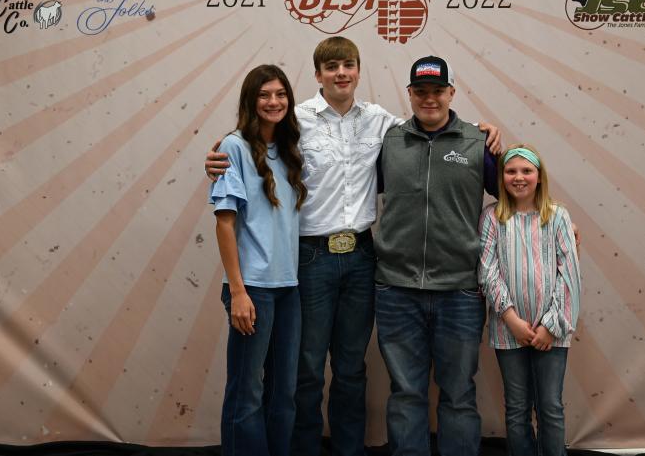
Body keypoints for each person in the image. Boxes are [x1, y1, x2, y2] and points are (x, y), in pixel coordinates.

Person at [206, 39, 501, 456]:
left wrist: (482, 131)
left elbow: (433, 128)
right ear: (318, 75)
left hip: (364, 258)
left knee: (350, 369)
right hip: (310, 258)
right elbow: (255, 140)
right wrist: (220, 155)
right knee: (306, 370)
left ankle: (349, 451)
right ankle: (304, 449)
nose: (340, 73)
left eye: (348, 65)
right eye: (331, 66)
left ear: (359, 71)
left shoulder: (383, 123)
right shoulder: (295, 118)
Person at [374, 55, 498, 456]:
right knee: (406, 393)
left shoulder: (478, 142)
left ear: (451, 93)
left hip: (459, 291)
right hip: (396, 289)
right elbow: (338, 183)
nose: (430, 99)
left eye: (437, 91)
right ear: (410, 94)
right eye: (421, 92)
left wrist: (557, 221)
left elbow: (519, 194)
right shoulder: (388, 142)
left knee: (459, 393)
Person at [210, 64, 307, 456]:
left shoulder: (288, 151)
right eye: (265, 95)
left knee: (283, 392)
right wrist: (237, 292)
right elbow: (224, 224)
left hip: (289, 288)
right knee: (246, 392)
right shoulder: (233, 147)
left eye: (280, 94)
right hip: (252, 289)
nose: (273, 102)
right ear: (251, 101)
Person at [478, 144, 581, 456]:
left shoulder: (558, 217)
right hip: (509, 329)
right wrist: (511, 319)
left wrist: (551, 326)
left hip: (553, 330)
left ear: (539, 176)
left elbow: (570, 275)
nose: (518, 177)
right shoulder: (492, 217)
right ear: (501, 177)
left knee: (550, 406)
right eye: (511, 171)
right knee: (517, 407)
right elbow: (487, 271)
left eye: (526, 171)